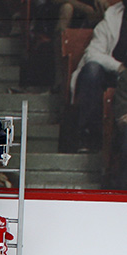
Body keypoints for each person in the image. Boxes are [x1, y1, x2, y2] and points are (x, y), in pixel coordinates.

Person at [70, 0, 125, 152]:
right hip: (113, 75)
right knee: (91, 70)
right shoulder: (112, 16)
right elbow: (92, 53)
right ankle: (89, 136)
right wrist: (119, 67)